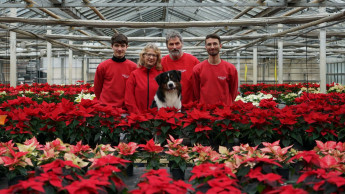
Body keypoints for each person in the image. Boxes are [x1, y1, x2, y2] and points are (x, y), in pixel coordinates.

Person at [192, 34, 238, 106]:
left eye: (215, 44)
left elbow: (233, 92)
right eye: (209, 44)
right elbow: (196, 92)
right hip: (205, 111)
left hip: (225, 111)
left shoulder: (230, 68)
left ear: (220, 46)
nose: (212, 47)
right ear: (206, 47)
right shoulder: (197, 69)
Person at [94, 33, 137, 108]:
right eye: (116, 45)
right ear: (112, 46)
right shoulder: (103, 66)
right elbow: (97, 88)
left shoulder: (133, 67)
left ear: (127, 47)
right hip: (106, 108)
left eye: (122, 46)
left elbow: (135, 90)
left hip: (125, 109)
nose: (119, 49)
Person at [161, 30, 200, 105]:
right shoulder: (162, 63)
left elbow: (201, 83)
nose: (174, 47)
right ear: (167, 46)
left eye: (177, 43)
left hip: (190, 106)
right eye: (171, 44)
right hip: (170, 106)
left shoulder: (193, 61)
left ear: (182, 44)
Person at [125, 43, 163, 113]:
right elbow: (129, 98)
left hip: (158, 119)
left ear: (157, 58)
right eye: (148, 54)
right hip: (139, 119)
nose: (151, 57)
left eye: (154, 55)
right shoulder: (134, 75)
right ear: (143, 56)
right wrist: (137, 115)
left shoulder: (161, 75)